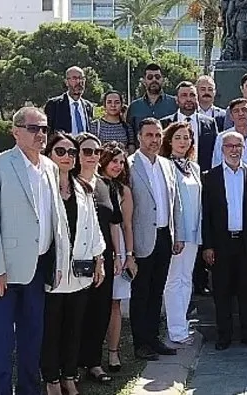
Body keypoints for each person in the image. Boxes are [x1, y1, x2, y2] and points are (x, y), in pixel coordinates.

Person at [0, 107, 70, 395]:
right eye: (33, 128)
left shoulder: (51, 168)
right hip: (3, 273)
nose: (40, 134)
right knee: (3, 345)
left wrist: (58, 261)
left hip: (38, 269)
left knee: (32, 341)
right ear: (15, 131)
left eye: (44, 128)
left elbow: (54, 219)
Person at [40, 133, 105, 395]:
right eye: (60, 151)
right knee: (52, 329)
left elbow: (94, 229)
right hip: (52, 272)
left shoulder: (83, 188)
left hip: (80, 272)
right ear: (49, 154)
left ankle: (69, 376)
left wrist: (99, 259)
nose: (67, 156)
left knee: (75, 328)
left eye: (71, 152)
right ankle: (52, 379)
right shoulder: (43, 188)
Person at [128, 118, 185, 360]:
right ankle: (141, 343)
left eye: (157, 135)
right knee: (140, 292)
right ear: (140, 137)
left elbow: (176, 203)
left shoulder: (167, 165)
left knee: (157, 291)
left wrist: (178, 233)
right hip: (141, 238)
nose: (154, 140)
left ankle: (154, 338)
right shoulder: (129, 166)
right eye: (149, 135)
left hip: (164, 235)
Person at [202, 131, 247, 350]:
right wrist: (207, 245)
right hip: (221, 243)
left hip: (246, 243)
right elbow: (206, 215)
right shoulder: (210, 177)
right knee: (222, 291)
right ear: (222, 149)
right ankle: (224, 335)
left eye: (238, 146)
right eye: (230, 146)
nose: (234, 150)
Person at [74, 133, 116, 383]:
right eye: (86, 151)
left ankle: (93, 362)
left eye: (96, 152)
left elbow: (114, 223)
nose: (92, 156)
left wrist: (120, 255)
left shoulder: (105, 185)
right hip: (77, 260)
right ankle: (72, 365)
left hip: (104, 259)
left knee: (100, 313)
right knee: (77, 314)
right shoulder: (69, 184)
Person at [160, 122, 202, 345]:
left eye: (186, 138)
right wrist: (177, 235)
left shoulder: (193, 167)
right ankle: (175, 329)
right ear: (169, 141)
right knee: (174, 281)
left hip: (194, 233)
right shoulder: (166, 166)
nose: (183, 142)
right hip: (178, 234)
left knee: (187, 280)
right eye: (178, 137)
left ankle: (182, 323)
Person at [98, 142, 136, 373]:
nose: (118, 166)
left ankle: (113, 353)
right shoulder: (91, 184)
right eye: (114, 161)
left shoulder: (124, 190)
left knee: (115, 303)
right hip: (97, 246)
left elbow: (127, 225)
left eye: (122, 162)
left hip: (119, 248)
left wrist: (129, 255)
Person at [160, 81, 219, 171]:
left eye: (192, 95)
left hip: (203, 176)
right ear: (177, 99)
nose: (188, 99)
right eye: (184, 95)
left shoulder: (210, 123)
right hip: (171, 175)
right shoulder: (165, 123)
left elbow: (215, 152)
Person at [126, 63, 178, 132]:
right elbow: (130, 133)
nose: (154, 80)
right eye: (150, 77)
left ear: (162, 79)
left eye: (157, 77)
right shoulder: (134, 107)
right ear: (144, 81)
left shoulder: (174, 103)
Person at [44, 66, 94, 135]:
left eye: (81, 78)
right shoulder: (54, 105)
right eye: (74, 78)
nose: (79, 82)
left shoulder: (88, 106)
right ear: (66, 82)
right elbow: (47, 132)